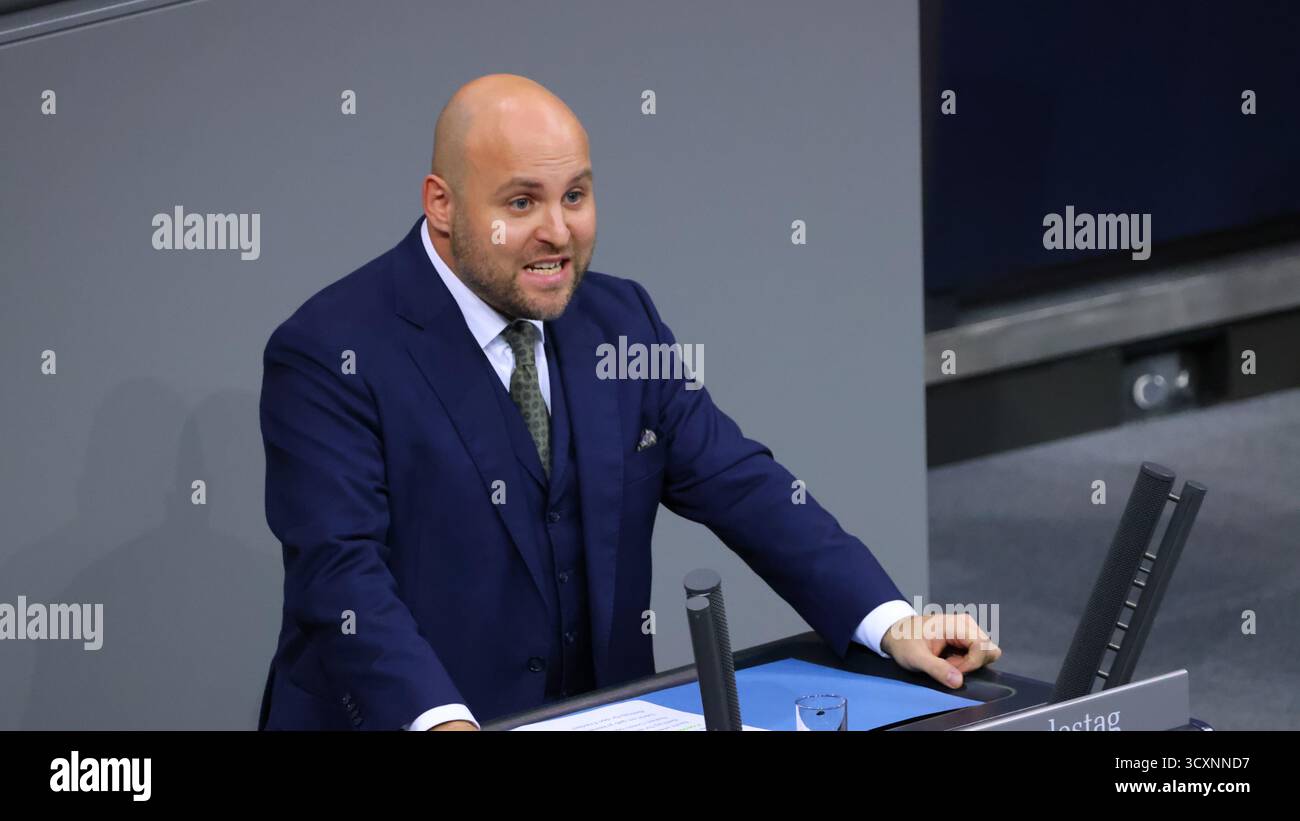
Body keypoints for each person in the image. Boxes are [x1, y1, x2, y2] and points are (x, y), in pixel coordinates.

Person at [257, 73, 1000, 731]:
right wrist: (442, 721)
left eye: (575, 195)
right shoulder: (331, 352)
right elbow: (340, 577)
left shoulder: (619, 321)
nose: (559, 232)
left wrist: (892, 620)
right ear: (442, 205)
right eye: (522, 201)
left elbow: (741, 482)